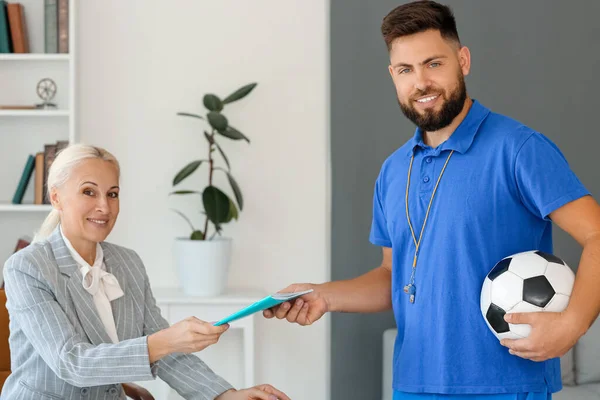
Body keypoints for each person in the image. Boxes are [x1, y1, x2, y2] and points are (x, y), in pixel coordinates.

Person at [264, 1, 600, 400]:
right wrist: (322, 295)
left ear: (463, 60)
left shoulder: (519, 149)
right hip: (413, 383)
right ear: (393, 76)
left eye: (433, 64)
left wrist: (571, 325)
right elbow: (393, 277)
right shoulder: (392, 171)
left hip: (506, 385)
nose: (420, 82)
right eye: (406, 70)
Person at [2, 144, 290, 400]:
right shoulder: (27, 268)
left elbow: (167, 356)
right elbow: (71, 362)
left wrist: (225, 394)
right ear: (56, 198)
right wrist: (163, 341)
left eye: (112, 194)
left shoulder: (128, 263)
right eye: (88, 192)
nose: (104, 206)